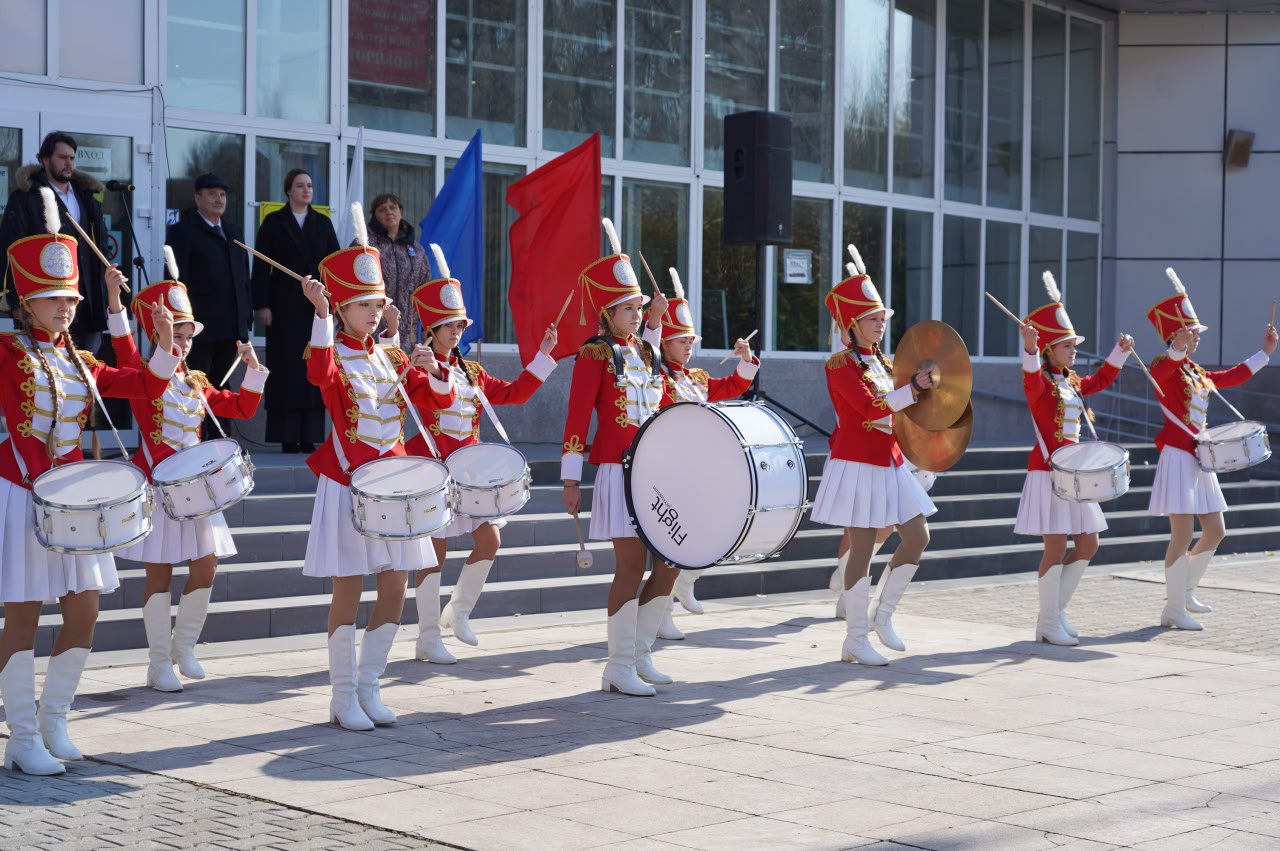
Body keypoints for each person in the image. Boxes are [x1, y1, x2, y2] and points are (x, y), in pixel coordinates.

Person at [0, 198, 179, 775]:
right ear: (26, 301)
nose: (65, 310)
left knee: (85, 611)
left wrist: (164, 340)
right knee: (23, 615)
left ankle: (55, 721)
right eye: (55, 299)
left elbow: (146, 387)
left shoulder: (83, 361)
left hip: (75, 502)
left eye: (72, 301)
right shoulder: (6, 354)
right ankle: (21, 737)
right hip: (22, 492)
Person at [299, 213, 455, 731]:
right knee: (350, 587)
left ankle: (370, 685)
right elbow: (317, 376)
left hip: (395, 486)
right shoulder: (330, 351)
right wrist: (320, 315)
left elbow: (419, 401)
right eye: (362, 304)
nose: (372, 312)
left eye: (376, 303)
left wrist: (429, 371)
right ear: (342, 307)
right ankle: (342, 696)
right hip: (349, 485)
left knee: (396, 585)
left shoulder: (388, 356)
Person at [113, 248, 269, 691]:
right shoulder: (141, 374)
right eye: (173, 333)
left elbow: (239, 406)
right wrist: (113, 301)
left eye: (187, 334)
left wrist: (253, 373)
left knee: (206, 566)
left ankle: (185, 646)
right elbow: (123, 342)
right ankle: (158, 661)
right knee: (159, 572)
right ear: (157, 334)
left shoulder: (196, 381)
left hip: (198, 488)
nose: (182, 342)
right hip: (159, 487)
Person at [404, 245, 558, 662]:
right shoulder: (418, 366)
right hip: (433, 470)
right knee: (432, 555)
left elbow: (513, 394)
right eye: (449, 326)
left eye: (460, 325)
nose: (456, 332)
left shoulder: (472, 371)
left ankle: (459, 612)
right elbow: (425, 400)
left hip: (469, 473)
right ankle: (427, 636)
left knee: (490, 540)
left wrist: (544, 356)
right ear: (431, 330)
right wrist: (426, 366)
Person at [561, 219, 676, 697]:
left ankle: (642, 652)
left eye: (639, 308)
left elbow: (664, 406)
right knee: (630, 565)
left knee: (671, 561)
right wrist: (570, 482)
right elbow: (576, 417)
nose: (637, 313)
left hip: (656, 471)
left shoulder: (648, 355)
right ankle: (617, 664)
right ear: (608, 312)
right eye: (628, 308)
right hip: (617, 471)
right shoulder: (594, 352)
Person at [810, 248, 936, 666]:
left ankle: (883, 616)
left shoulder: (883, 361)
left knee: (918, 535)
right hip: (858, 461)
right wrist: (911, 391)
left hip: (892, 460)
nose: (881, 325)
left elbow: (901, 407)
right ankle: (855, 637)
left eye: (883, 319)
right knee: (861, 550)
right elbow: (869, 409)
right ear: (852, 324)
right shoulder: (839, 364)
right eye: (873, 319)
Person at [1145, 269, 1276, 631]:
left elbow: (1231, 376)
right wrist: (1178, 347)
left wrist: (1264, 353)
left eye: (1196, 334)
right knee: (1182, 534)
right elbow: (1165, 370)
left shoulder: (1194, 371)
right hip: (1177, 457)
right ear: (1176, 336)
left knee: (1216, 529)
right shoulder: (1164, 367)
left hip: (1199, 458)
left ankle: (1185, 592)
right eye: (1191, 334)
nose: (1197, 339)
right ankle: (1172, 609)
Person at [1013, 272, 1132, 646]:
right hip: (1049, 472)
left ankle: (1053, 614)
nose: (1074, 350)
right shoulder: (1041, 383)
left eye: (1073, 344)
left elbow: (1100, 381)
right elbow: (1030, 379)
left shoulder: (1072, 381)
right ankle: (1049, 622)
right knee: (1055, 546)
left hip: (1076, 471)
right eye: (1066, 345)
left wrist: (1120, 352)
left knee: (1089, 543)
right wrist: (1030, 350)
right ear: (1050, 350)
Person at [650, 268, 758, 642]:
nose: (688, 346)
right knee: (668, 543)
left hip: (697, 471)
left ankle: (687, 582)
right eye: (681, 340)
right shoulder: (657, 378)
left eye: (690, 340)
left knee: (710, 528)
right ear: (664, 343)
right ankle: (661, 613)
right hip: (667, 470)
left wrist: (746, 359)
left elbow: (729, 387)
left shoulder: (694, 377)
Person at [251, 169, 338, 453]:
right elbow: (262, 267)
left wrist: (334, 304)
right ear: (288, 190)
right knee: (288, 369)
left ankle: (310, 435)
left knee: (315, 366)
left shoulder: (322, 223)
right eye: (300, 185)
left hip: (316, 305)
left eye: (310, 185)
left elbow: (334, 265)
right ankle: (287, 437)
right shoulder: (274, 222)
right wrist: (262, 304)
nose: (306, 190)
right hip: (284, 304)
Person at [0, 131, 111, 352]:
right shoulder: (25, 197)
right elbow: (9, 249)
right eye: (62, 157)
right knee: (44, 364)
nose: (68, 163)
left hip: (84, 298)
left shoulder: (86, 196)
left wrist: (106, 296)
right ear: (45, 159)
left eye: (72, 158)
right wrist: (15, 301)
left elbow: (101, 247)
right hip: (43, 299)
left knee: (84, 366)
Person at [166, 173, 253, 397]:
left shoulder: (233, 232)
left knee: (221, 384)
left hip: (230, 326)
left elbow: (243, 276)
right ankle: (197, 431)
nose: (219, 199)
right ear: (197, 199)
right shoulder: (183, 232)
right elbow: (176, 281)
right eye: (212, 194)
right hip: (200, 327)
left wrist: (245, 318)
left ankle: (220, 431)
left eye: (222, 195)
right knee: (196, 384)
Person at [366, 194, 430, 344]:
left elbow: (425, 289)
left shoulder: (416, 249)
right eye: (382, 209)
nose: (389, 212)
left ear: (400, 211)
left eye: (393, 207)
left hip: (407, 331)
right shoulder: (365, 244)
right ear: (375, 216)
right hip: (373, 327)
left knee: (403, 366)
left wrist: (427, 325)